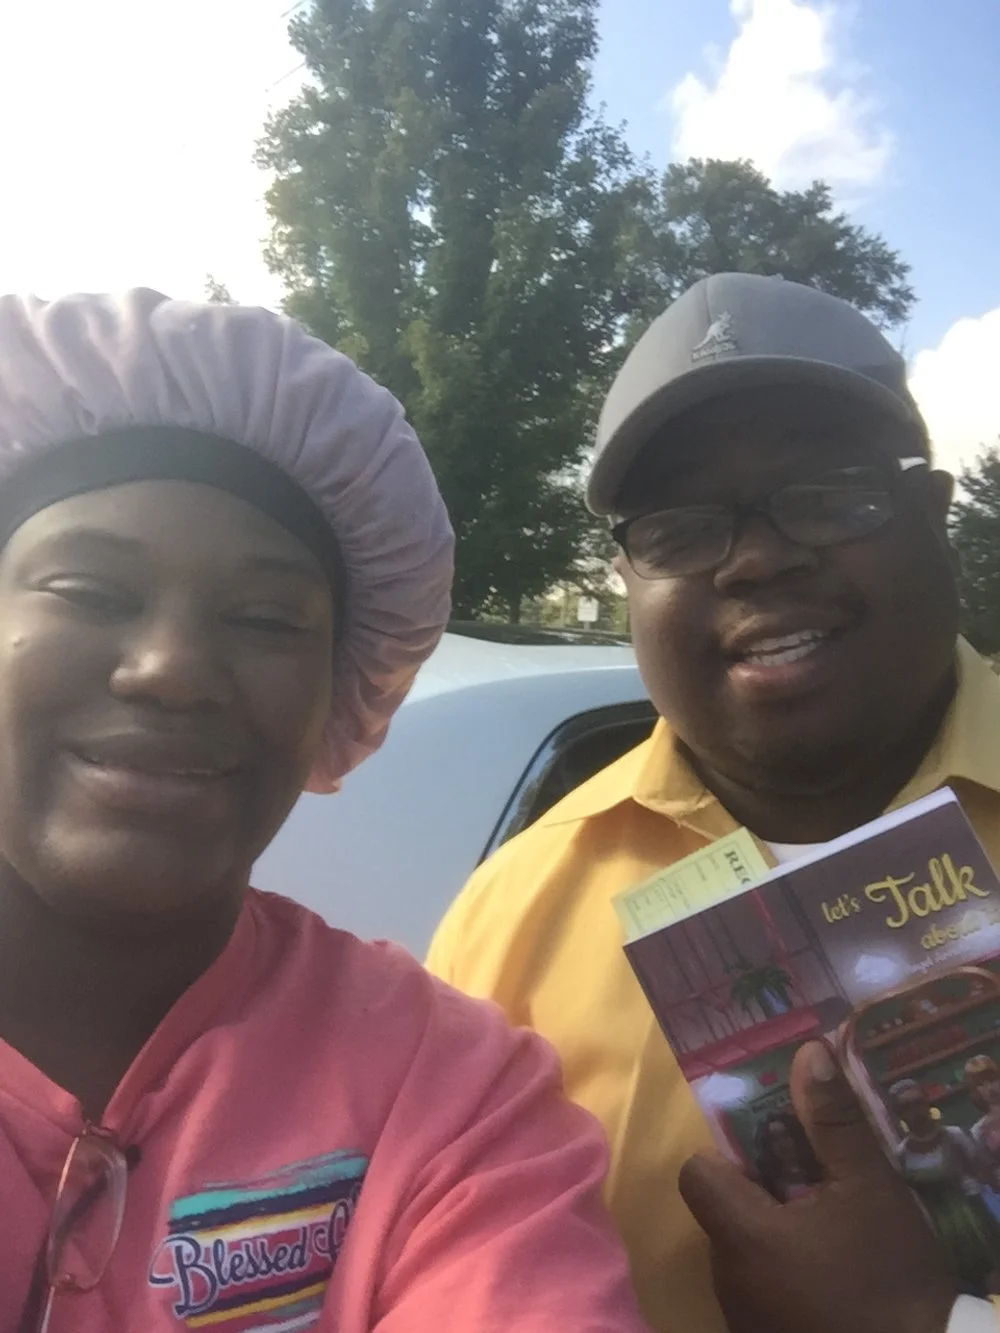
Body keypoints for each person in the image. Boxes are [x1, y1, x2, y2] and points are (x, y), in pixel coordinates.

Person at [0, 289, 650, 1332]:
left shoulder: (447, 1092)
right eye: (88, 591)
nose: (172, 668)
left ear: (337, 692)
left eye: (266, 618)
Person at [427, 272, 1000, 1332]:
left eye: (826, 492)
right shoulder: (504, 926)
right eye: (680, 528)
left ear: (932, 512)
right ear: (627, 577)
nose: (759, 557)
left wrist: (927, 1321)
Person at [888, 1080, 1000, 1296]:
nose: (916, 1112)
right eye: (906, 1107)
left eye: (918, 1103)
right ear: (899, 1113)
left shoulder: (954, 1136)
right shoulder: (902, 1155)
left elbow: (985, 1173)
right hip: (943, 1231)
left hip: (977, 1216)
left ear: (927, 1103)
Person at [751, 1109, 822, 1203]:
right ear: (767, 1146)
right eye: (774, 1139)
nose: (783, 1143)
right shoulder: (769, 1186)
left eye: (786, 1135)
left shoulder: (818, 1166)